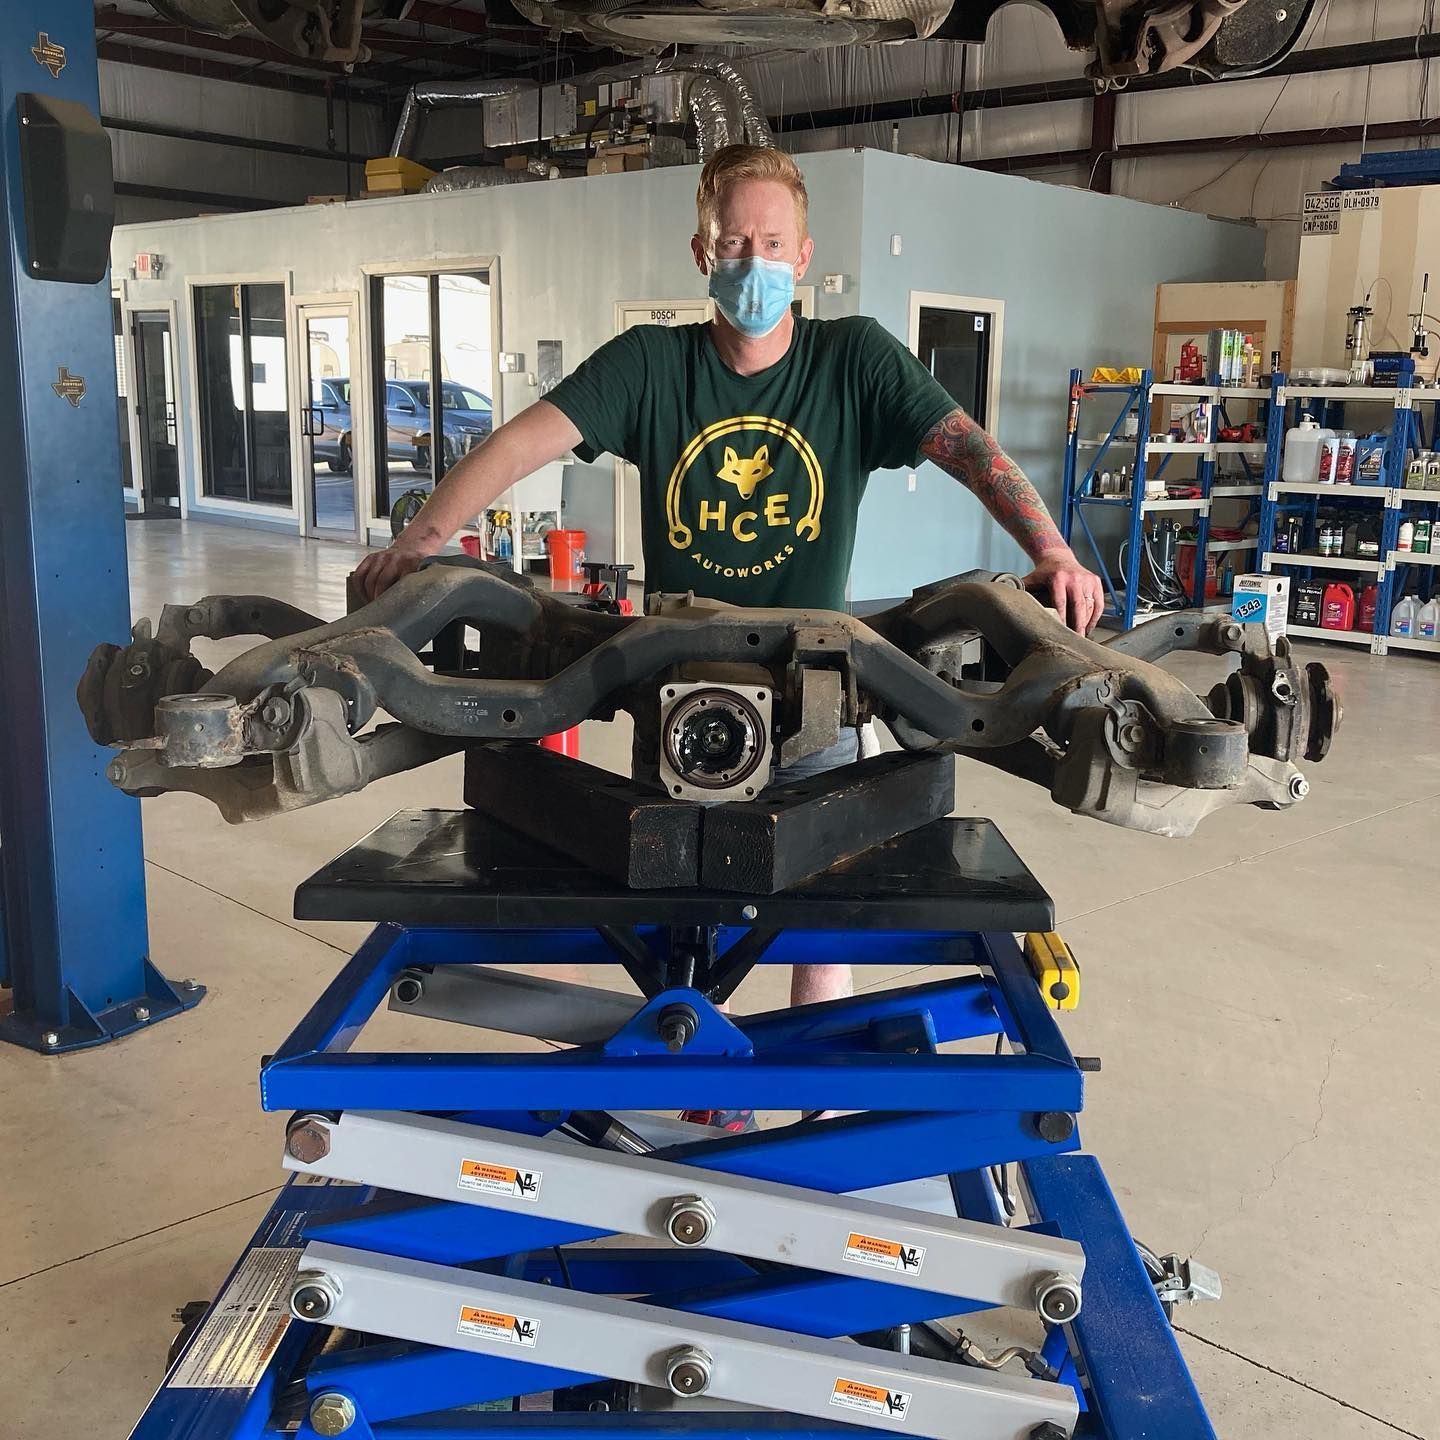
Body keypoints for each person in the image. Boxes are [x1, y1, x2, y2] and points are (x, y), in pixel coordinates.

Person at [354, 144, 1104, 1040]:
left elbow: (970, 451)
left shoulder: (855, 360)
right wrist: (419, 544)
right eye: (736, 242)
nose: (756, 262)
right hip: (675, 687)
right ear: (703, 253)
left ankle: (807, 1084)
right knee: (677, 895)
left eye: (773, 242)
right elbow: (519, 444)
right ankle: (690, 1054)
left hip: (821, 689)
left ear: (805, 256)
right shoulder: (648, 365)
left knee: (822, 910)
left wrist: (1052, 550)